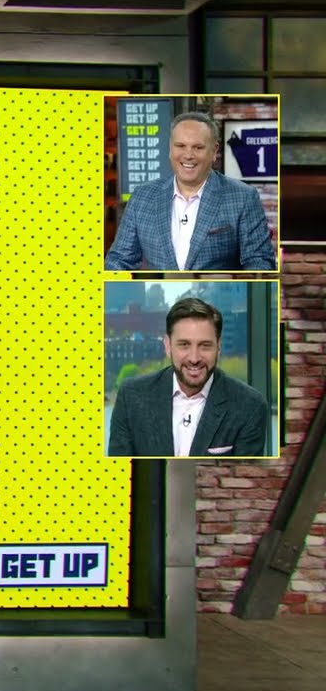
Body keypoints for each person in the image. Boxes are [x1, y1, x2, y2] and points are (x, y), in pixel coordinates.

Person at [105, 112, 276, 272]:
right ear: (170, 149)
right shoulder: (143, 197)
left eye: (198, 147)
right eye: (180, 146)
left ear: (214, 151)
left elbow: (259, 262)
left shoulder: (243, 197)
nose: (188, 155)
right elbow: (119, 260)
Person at [107, 297, 268, 457]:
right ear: (168, 346)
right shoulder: (131, 398)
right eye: (184, 345)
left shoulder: (249, 406)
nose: (194, 358)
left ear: (218, 347)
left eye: (205, 346)